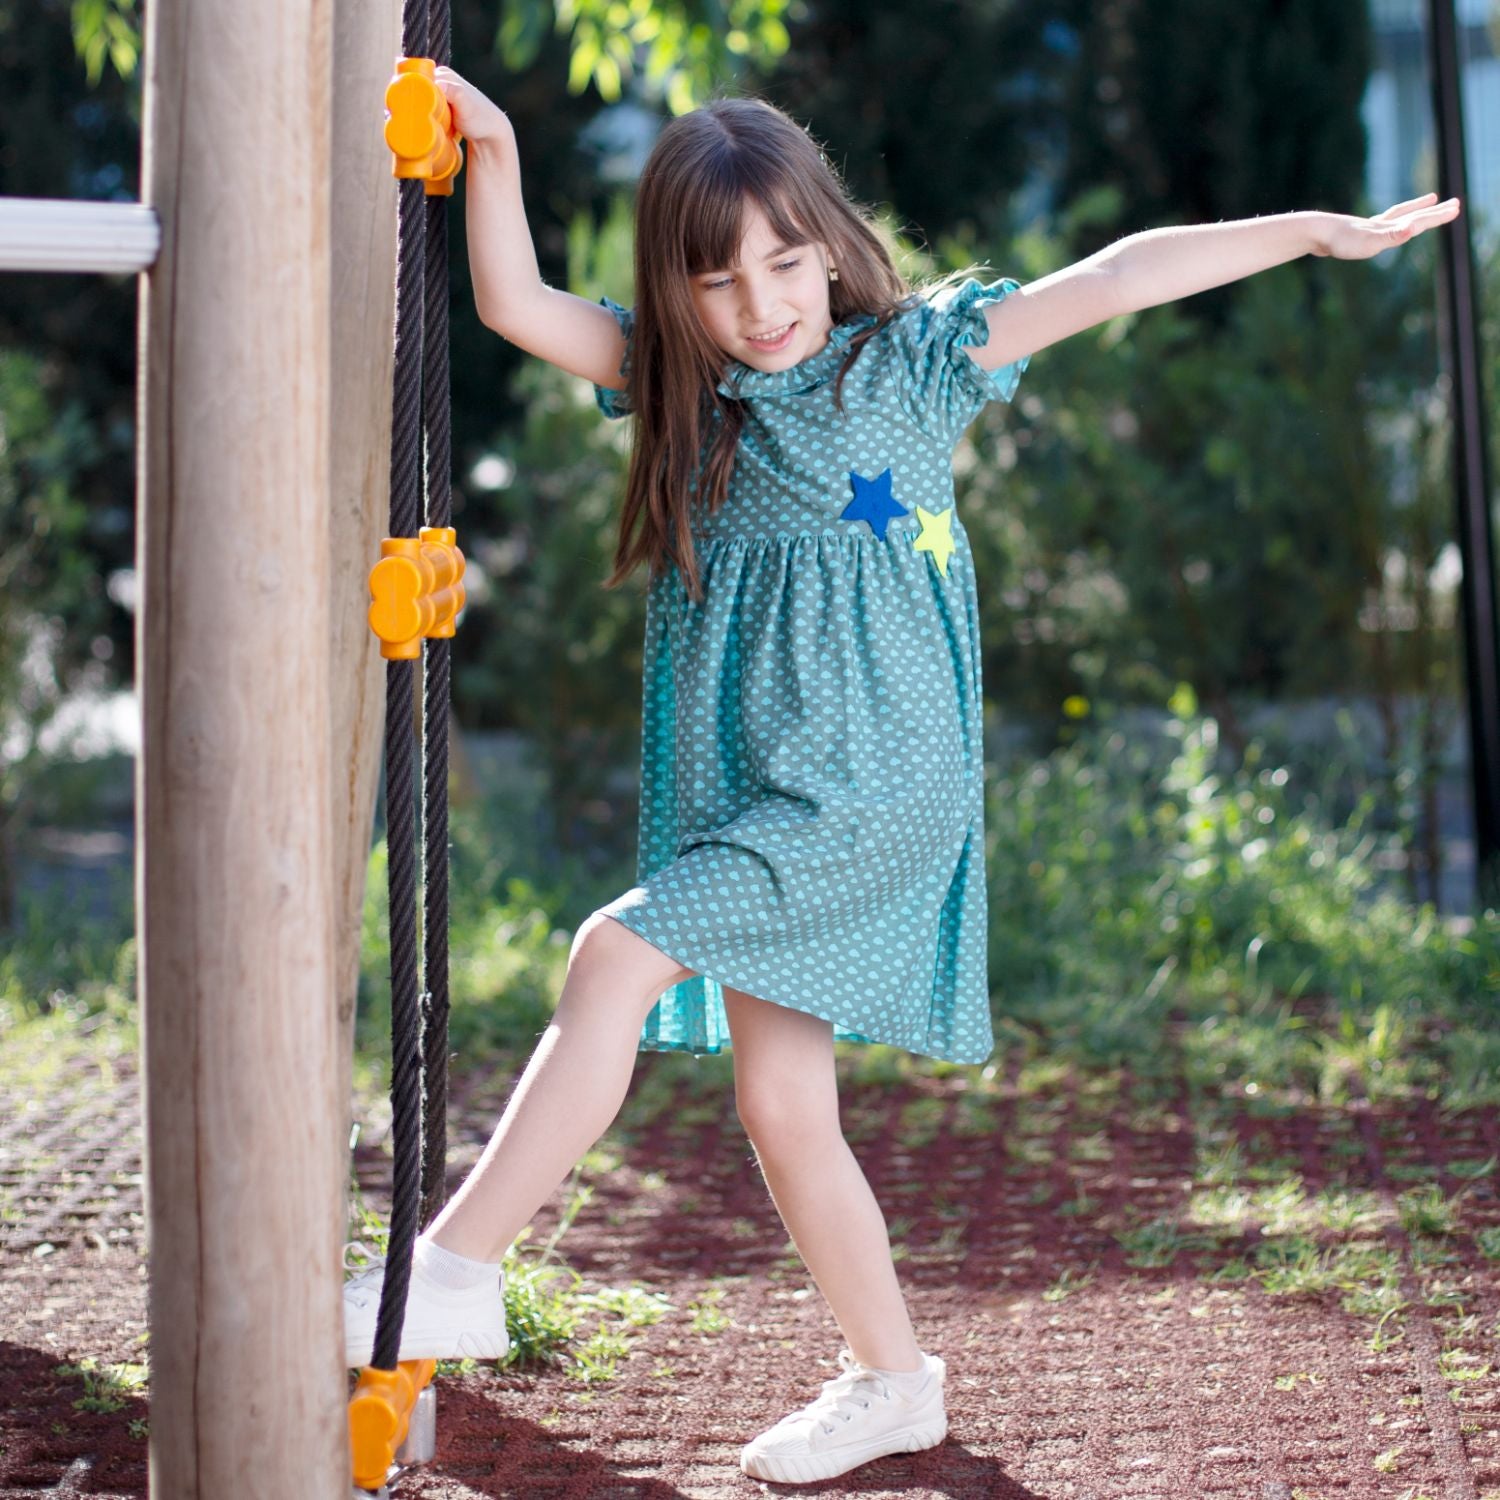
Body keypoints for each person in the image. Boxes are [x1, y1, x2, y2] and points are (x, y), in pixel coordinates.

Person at [343, 69, 1460, 1484]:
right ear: (678, 295)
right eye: (720, 278)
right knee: (783, 1106)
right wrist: (491, 148)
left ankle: (452, 1267)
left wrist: (1310, 230)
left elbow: (1117, 272)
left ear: (829, 241)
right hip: (768, 794)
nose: (763, 304)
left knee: (613, 956)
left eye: (787, 261)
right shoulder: (692, 396)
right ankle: (893, 1380)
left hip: (871, 789)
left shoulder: (915, 360)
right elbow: (512, 306)